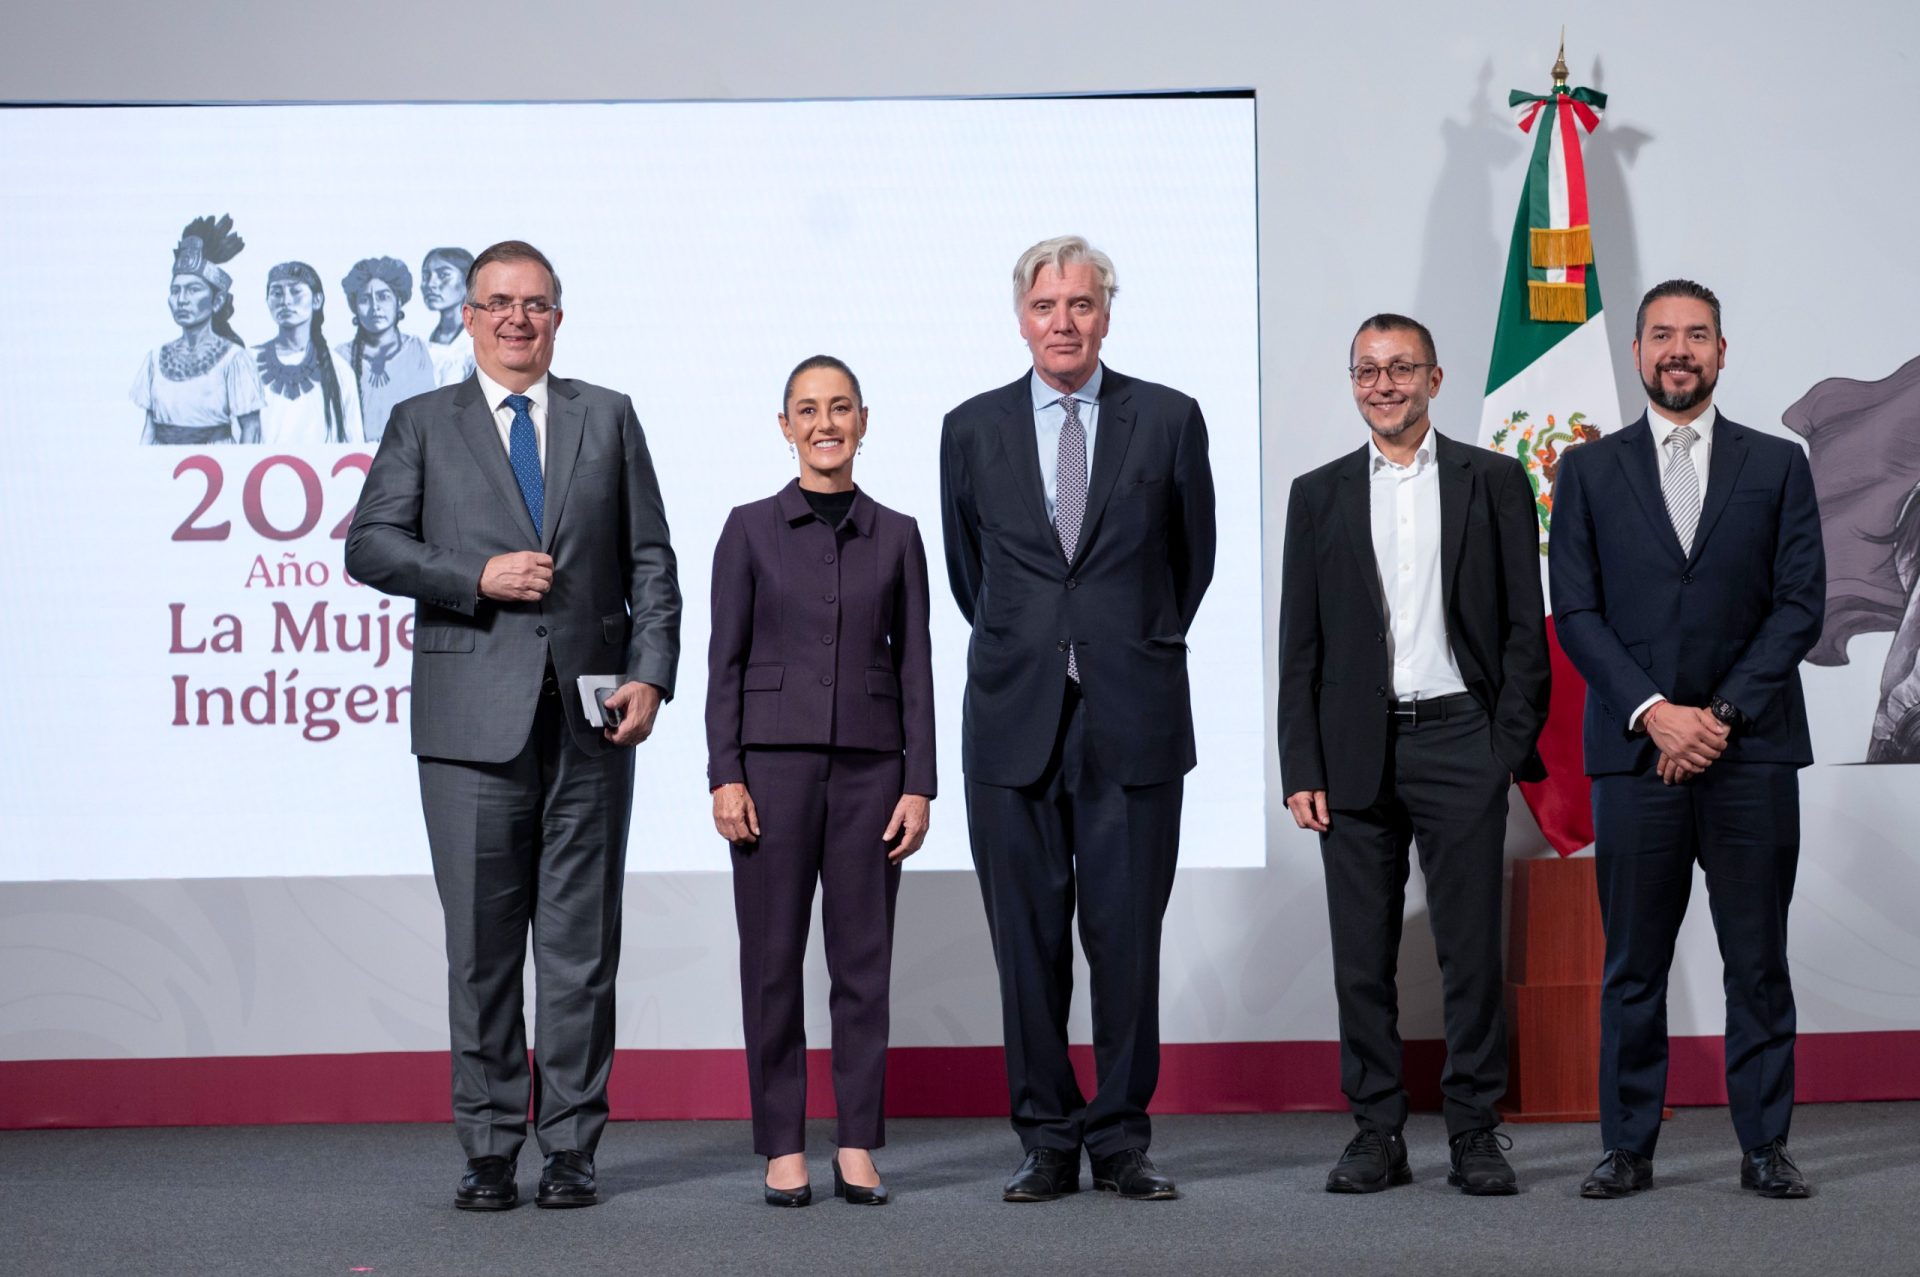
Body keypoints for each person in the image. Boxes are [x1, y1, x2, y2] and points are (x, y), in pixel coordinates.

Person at [345, 239, 680, 1212]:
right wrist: (474, 575)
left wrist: (652, 675)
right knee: (483, 952)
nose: (516, 319)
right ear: (468, 317)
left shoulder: (607, 415)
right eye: (498, 302)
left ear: (558, 318)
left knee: (580, 951)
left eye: (534, 303)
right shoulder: (422, 422)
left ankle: (571, 1147)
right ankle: (490, 1148)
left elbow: (651, 561)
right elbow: (370, 544)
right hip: (468, 728)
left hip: (591, 725)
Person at [939, 235, 1215, 1202]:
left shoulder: (1169, 418)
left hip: (1133, 716)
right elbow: (971, 577)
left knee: (1126, 938)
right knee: (1027, 946)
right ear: (1021, 318)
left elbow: (1191, 563)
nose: (1064, 322)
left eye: (1082, 304)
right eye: (1046, 305)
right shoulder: (970, 428)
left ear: (1107, 314)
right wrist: (1040, 645)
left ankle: (1123, 1138)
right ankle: (1048, 1138)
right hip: (1013, 717)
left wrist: (1116, 643)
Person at [1550, 279, 1824, 1200]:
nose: (1679, 349)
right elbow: (1576, 612)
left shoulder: (1778, 464)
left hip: (1752, 753)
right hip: (1636, 757)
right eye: (1662, 334)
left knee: (1758, 963)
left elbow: (1799, 607)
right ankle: (1627, 1147)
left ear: (1721, 351)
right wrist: (1654, 712)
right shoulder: (1586, 470)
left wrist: (1717, 717)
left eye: (1697, 335)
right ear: (1636, 352)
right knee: (1634, 966)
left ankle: (1765, 1146)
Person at [1278, 314, 1550, 1195]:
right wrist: (1301, 765)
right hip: (1352, 753)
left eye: (1401, 368)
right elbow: (1300, 644)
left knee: (1469, 951)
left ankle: (1474, 1130)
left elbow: (1524, 627)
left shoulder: (1493, 480)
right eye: (1367, 370)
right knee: (1362, 956)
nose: (1383, 384)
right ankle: (1377, 1132)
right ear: (1353, 382)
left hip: (1463, 740)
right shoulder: (1317, 493)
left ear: (1434, 379)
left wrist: (1505, 745)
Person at [706, 355, 935, 1208]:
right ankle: (781, 1144)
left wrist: (920, 783)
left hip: (874, 773)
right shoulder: (747, 529)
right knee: (771, 961)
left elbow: (916, 668)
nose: (825, 422)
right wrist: (725, 773)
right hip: (770, 770)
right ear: (785, 426)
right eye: (808, 409)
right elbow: (723, 664)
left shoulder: (899, 533)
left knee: (863, 963)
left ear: (863, 422)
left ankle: (858, 1142)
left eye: (840, 407)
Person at [130, 214, 263, 445]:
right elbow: (149, 429)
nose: (181, 300)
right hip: (164, 461)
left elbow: (251, 429)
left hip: (216, 461)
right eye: (175, 291)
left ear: (217, 301)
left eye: (193, 290)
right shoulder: (155, 359)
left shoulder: (235, 359)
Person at [254, 262, 363, 446]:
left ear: (317, 300)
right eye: (277, 293)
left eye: (296, 292)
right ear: (267, 301)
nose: (286, 301)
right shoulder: (248, 362)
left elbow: (354, 445)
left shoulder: (340, 370)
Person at [338, 255, 437, 443]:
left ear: (398, 302)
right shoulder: (340, 359)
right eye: (365, 299)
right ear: (354, 307)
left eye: (383, 297)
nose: (375, 307)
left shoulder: (422, 351)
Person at [421, 247, 478, 387]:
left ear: (468, 282)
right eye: (426, 276)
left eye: (443, 275)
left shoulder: (476, 345)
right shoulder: (420, 344)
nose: (431, 284)